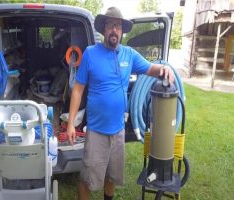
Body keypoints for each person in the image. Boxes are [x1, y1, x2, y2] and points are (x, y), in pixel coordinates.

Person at [66, 7, 175, 200]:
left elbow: (151, 68)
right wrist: (70, 123)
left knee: (112, 176)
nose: (114, 30)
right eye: (110, 25)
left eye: (118, 26)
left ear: (122, 30)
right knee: (87, 179)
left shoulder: (129, 55)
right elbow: (78, 89)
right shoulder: (90, 54)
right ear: (104, 29)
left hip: (118, 131)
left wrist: (166, 70)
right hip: (96, 131)